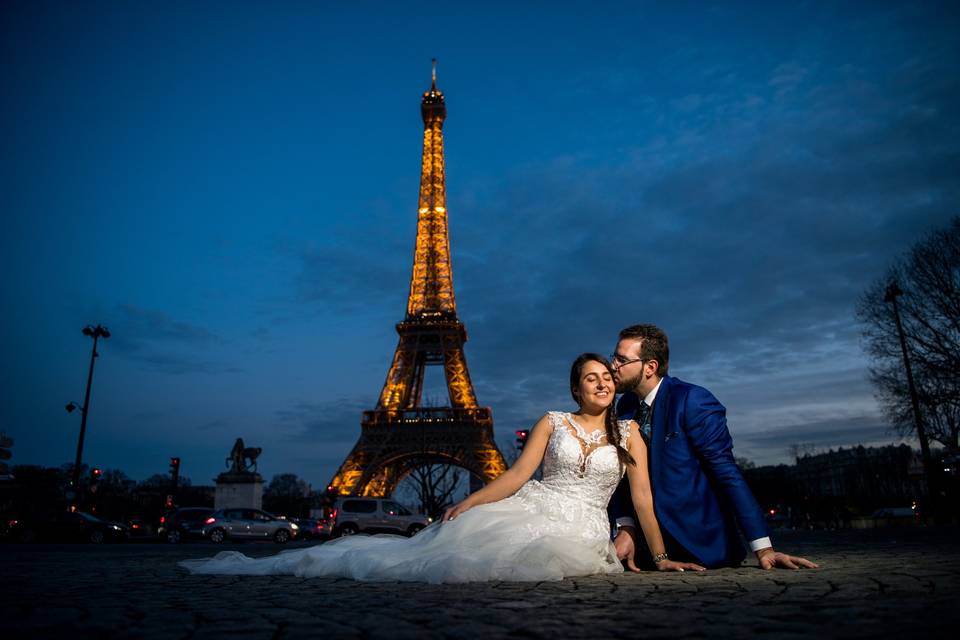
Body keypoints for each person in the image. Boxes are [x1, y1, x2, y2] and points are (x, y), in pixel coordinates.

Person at [179, 354, 703, 583]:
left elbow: (643, 499)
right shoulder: (554, 420)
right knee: (468, 556)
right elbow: (517, 476)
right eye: (589, 378)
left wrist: (660, 557)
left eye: (606, 376)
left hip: (584, 525)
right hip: (538, 508)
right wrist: (470, 501)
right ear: (574, 388)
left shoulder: (630, 432)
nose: (601, 383)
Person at [607, 324, 818, 571]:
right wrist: (626, 526)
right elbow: (621, 477)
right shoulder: (625, 407)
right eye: (614, 356)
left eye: (621, 360)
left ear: (650, 367)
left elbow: (727, 473)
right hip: (646, 552)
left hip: (699, 545)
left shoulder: (693, 400)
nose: (612, 366)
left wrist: (764, 547)